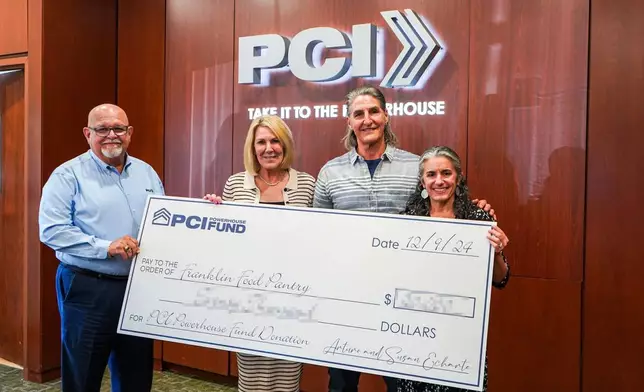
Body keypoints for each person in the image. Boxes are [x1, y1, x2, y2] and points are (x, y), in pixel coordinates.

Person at [313, 85, 495, 392]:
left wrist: (477, 213)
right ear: (349, 122)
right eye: (358, 113)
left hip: (401, 299)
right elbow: (319, 233)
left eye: (373, 111)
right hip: (348, 296)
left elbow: (443, 204)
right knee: (342, 383)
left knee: (401, 381)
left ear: (385, 115)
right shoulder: (330, 173)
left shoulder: (415, 168)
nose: (367, 119)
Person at [39, 104, 164, 392]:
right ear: (87, 133)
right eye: (102, 129)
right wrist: (105, 247)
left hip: (137, 289)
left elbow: (163, 221)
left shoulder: (146, 173)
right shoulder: (67, 175)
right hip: (87, 288)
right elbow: (52, 230)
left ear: (129, 133)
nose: (111, 135)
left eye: (118, 128)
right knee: (83, 377)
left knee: (136, 376)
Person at [203, 115, 315, 392]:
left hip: (293, 298)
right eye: (261, 142)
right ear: (252, 148)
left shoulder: (307, 185)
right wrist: (212, 213)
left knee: (288, 377)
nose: (269, 148)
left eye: (275, 141)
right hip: (248, 299)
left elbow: (318, 242)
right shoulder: (235, 185)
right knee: (251, 378)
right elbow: (224, 240)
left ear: (285, 144)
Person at [397, 145, 510, 392]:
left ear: (457, 178)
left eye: (446, 173)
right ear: (422, 181)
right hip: (415, 337)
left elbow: (501, 279)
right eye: (431, 174)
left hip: (462, 339)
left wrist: (498, 252)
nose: (439, 181)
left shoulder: (478, 218)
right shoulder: (406, 220)